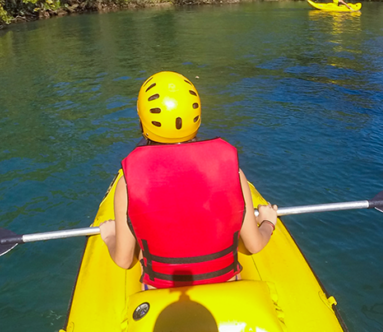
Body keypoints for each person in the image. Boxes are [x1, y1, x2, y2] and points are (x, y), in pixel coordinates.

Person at [99, 71, 278, 289]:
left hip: (162, 293)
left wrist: (109, 236)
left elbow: (124, 260)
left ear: (142, 120)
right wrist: (268, 221)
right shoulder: (233, 172)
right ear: (197, 118)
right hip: (225, 288)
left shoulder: (128, 184)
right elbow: (254, 244)